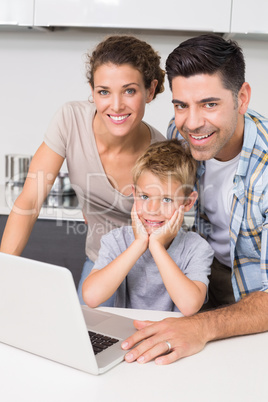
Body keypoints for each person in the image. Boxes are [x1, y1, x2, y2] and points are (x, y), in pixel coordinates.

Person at [120, 34, 268, 365]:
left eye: (210, 104)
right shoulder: (181, 134)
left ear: (241, 98)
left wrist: (200, 326)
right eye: (181, 105)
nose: (193, 122)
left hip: (253, 296)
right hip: (200, 278)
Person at [0, 35, 165, 305]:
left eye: (129, 91)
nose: (116, 105)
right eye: (104, 91)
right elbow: (30, 199)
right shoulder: (70, 120)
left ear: (150, 89)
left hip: (151, 273)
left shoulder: (160, 152)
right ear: (92, 91)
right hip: (100, 263)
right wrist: (4, 271)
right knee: (86, 341)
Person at [82, 139, 214, 314]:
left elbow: (189, 306)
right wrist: (139, 244)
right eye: (145, 197)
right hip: (128, 333)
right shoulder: (117, 240)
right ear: (134, 193)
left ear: (188, 202)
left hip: (173, 336)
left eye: (167, 199)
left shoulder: (196, 247)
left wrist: (156, 246)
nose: (152, 210)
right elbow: (91, 296)